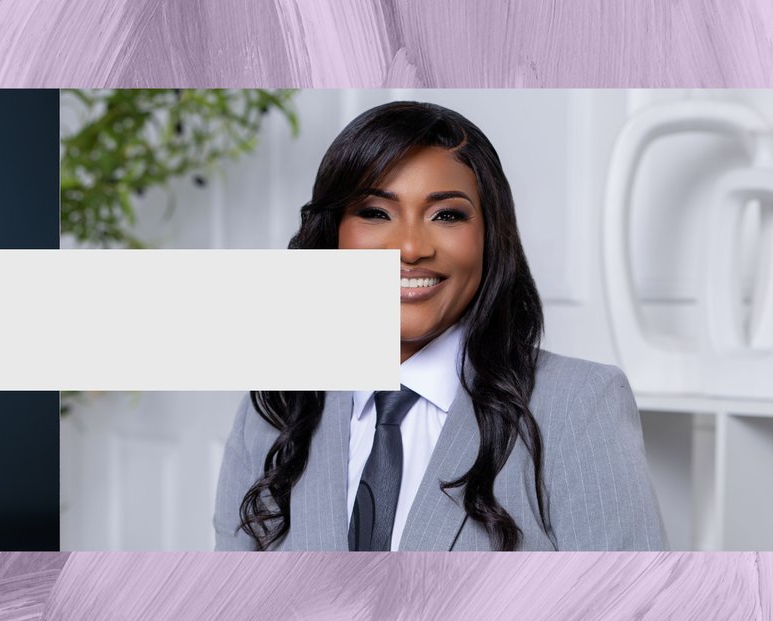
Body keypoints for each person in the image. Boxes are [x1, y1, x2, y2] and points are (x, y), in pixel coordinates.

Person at [213, 101, 666, 551]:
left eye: (446, 215)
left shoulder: (580, 406)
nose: (410, 248)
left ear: (491, 236)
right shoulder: (275, 405)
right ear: (334, 235)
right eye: (375, 212)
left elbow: (635, 618)